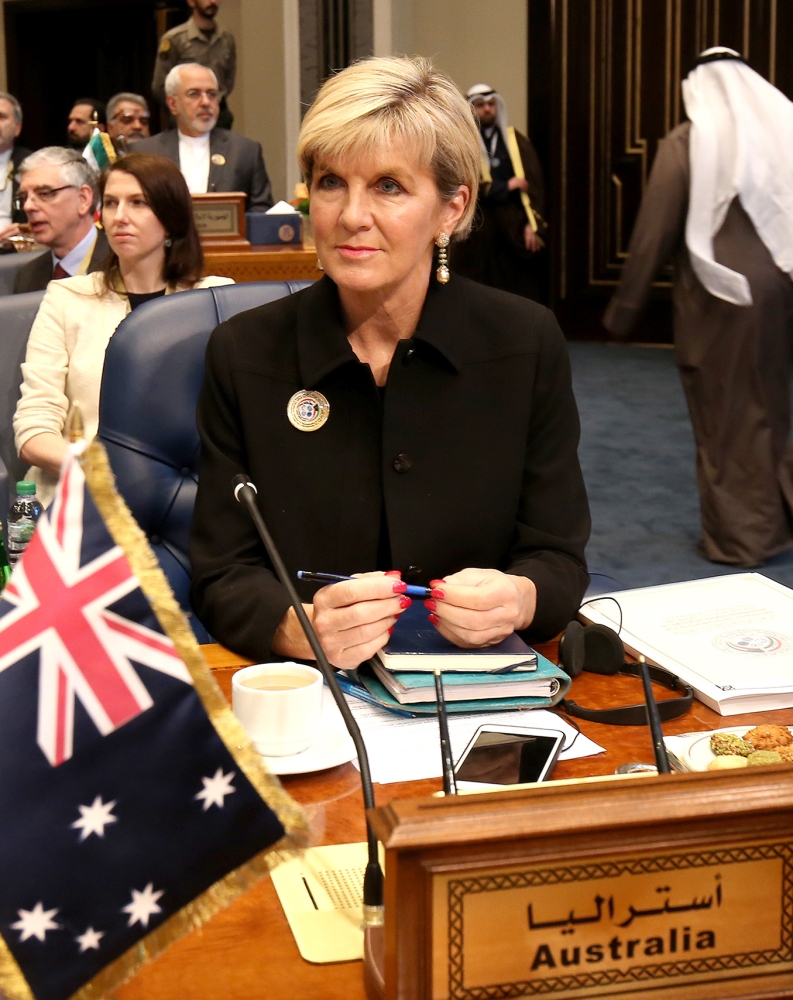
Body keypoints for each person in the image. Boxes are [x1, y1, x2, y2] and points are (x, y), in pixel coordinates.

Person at [189, 56, 590, 668]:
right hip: (310, 697)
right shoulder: (244, 352)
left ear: (451, 210)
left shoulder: (525, 342)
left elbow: (558, 557)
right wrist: (296, 628)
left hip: (479, 690)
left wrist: (518, 598)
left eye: (389, 186)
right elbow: (221, 573)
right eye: (330, 182)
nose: (351, 215)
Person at [604, 48, 793, 569]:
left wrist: (623, 311)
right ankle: (780, 517)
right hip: (779, 295)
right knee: (771, 407)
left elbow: (653, 233)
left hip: (720, 303)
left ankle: (744, 540)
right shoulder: (779, 137)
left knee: (726, 418)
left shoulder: (689, 142)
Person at [13, 153, 233, 506]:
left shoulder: (214, 298)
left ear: (171, 217)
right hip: (83, 492)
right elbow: (34, 428)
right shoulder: (67, 298)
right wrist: (92, 471)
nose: (119, 217)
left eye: (138, 203)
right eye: (111, 203)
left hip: (187, 496)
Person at [451, 84, 546, 301]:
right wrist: (505, 186)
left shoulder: (515, 140)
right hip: (476, 228)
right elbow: (462, 183)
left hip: (511, 225)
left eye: (491, 104)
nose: (487, 109)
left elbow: (534, 185)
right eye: (480, 105)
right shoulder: (464, 143)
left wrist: (533, 225)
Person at [134, 63, 272, 211]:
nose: (206, 102)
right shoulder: (145, 152)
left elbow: (261, 211)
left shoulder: (245, 151)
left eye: (212, 94)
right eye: (194, 94)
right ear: (173, 104)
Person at [7, 148, 109, 293]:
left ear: (83, 199)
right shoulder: (28, 276)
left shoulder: (121, 265)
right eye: (24, 197)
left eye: (44, 193)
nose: (28, 206)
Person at [152, 0, 236, 130]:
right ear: (191, 2)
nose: (212, 1)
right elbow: (160, 86)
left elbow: (229, 80)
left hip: (219, 117)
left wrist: (213, 98)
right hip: (186, 118)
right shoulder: (175, 39)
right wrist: (181, 107)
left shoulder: (226, 39)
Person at [0, 92, 32, 237]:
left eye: (1, 117)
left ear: (17, 128)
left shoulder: (33, 164)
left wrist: (25, 231)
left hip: (16, 253)